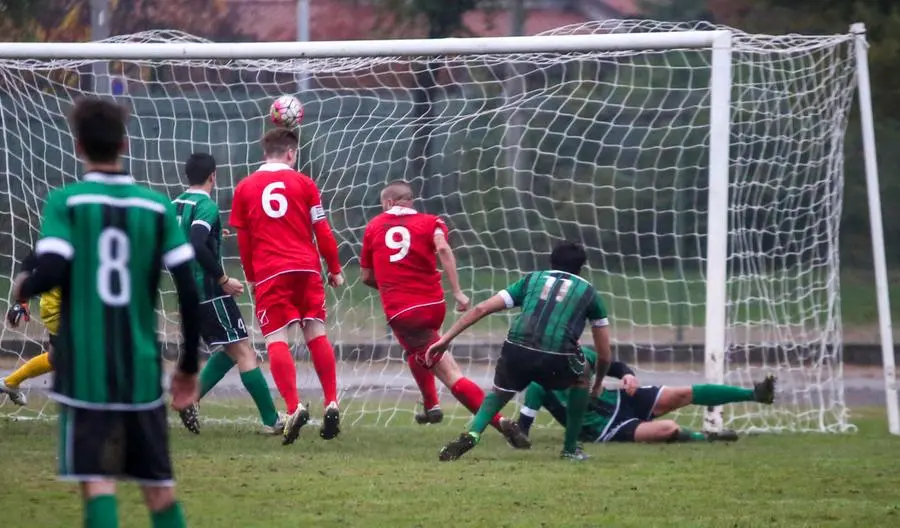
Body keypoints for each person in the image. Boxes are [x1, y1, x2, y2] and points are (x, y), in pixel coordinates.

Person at [11, 97, 200, 528]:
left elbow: (53, 267)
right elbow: (188, 289)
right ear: (125, 143)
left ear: (78, 146)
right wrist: (188, 366)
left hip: (85, 370)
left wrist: (25, 285)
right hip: (141, 368)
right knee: (158, 488)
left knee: (97, 481)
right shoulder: (155, 207)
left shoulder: (67, 202)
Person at [359, 181, 529, 448]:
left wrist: (392, 282)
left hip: (402, 311)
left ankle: (499, 422)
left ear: (389, 203)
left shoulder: (373, 226)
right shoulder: (431, 221)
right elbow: (444, 248)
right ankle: (431, 406)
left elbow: (366, 276)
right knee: (420, 352)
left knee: (451, 375)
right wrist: (458, 292)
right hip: (433, 306)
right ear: (410, 201)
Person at [429, 241, 612, 461]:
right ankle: (571, 448)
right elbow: (604, 354)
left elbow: (481, 308)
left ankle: (473, 433)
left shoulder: (532, 280)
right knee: (583, 372)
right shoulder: (589, 293)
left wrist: (446, 339)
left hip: (516, 350)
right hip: (557, 358)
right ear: (581, 268)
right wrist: (598, 383)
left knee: (500, 392)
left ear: (551, 262)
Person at [230, 127, 343, 444]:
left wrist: (252, 276)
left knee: (276, 338)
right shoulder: (304, 183)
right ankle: (332, 401)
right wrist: (334, 269)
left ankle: (294, 408)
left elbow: (244, 239)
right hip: (306, 268)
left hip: (270, 270)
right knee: (316, 332)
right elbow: (322, 230)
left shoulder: (245, 187)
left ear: (265, 153)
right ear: (292, 153)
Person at [172, 153, 284, 436]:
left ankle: (192, 397)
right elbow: (197, 244)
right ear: (213, 176)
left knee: (232, 348)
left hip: (189, 293)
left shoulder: (174, 205)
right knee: (244, 351)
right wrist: (222, 279)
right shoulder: (206, 206)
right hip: (210, 291)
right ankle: (272, 421)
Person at [516, 347, 776, 443]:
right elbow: (523, 429)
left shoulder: (578, 353)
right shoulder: (539, 385)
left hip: (621, 398)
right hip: (605, 427)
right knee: (667, 429)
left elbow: (615, 366)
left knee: (680, 393)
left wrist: (627, 375)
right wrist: (517, 433)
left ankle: (754, 394)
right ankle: (705, 437)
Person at [0, 254, 59, 405]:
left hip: (66, 305)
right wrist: (22, 299)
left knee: (55, 358)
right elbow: (35, 258)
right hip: (61, 308)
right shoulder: (73, 236)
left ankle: (10, 383)